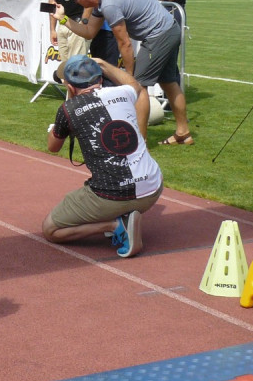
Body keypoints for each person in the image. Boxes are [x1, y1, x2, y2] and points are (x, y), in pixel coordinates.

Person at [43, 56, 163, 257]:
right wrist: (103, 64)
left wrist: (59, 123)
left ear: (70, 87)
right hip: (152, 188)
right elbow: (136, 85)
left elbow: (52, 147)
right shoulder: (123, 92)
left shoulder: (68, 109)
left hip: (111, 195)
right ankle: (124, 215)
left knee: (51, 230)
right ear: (99, 79)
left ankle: (114, 224)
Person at [58, 0, 192, 145]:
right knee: (168, 82)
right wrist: (62, 19)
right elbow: (89, 32)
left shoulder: (109, 5)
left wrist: (129, 78)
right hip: (169, 29)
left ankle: (139, 144)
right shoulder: (102, 1)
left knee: (138, 88)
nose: (75, 3)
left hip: (159, 35)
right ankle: (183, 133)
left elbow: (125, 44)